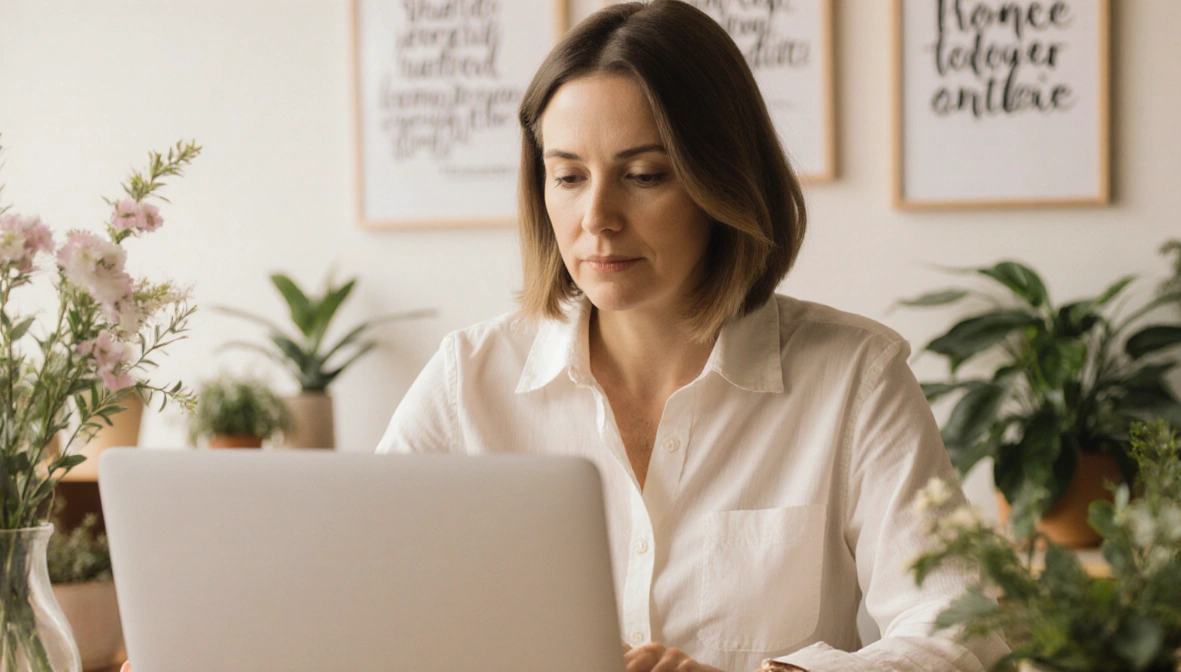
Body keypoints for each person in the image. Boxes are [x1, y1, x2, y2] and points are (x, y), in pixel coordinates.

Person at [124, 2, 1007, 671]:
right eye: (568, 176)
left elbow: (968, 629)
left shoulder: (853, 376)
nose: (597, 220)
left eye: (645, 176)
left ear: (720, 180)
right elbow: (349, 599)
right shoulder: (470, 379)